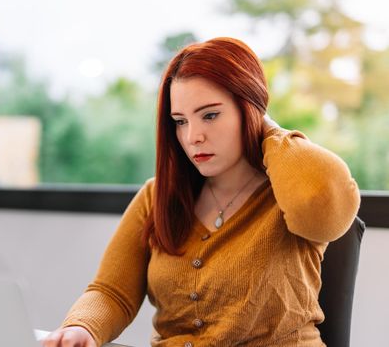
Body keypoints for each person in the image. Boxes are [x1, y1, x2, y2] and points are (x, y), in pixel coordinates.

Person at [43, 37, 360, 347]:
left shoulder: (291, 192)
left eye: (210, 115)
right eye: (180, 121)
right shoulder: (157, 197)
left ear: (248, 110)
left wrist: (269, 130)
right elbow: (112, 291)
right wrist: (82, 327)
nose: (193, 136)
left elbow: (321, 204)